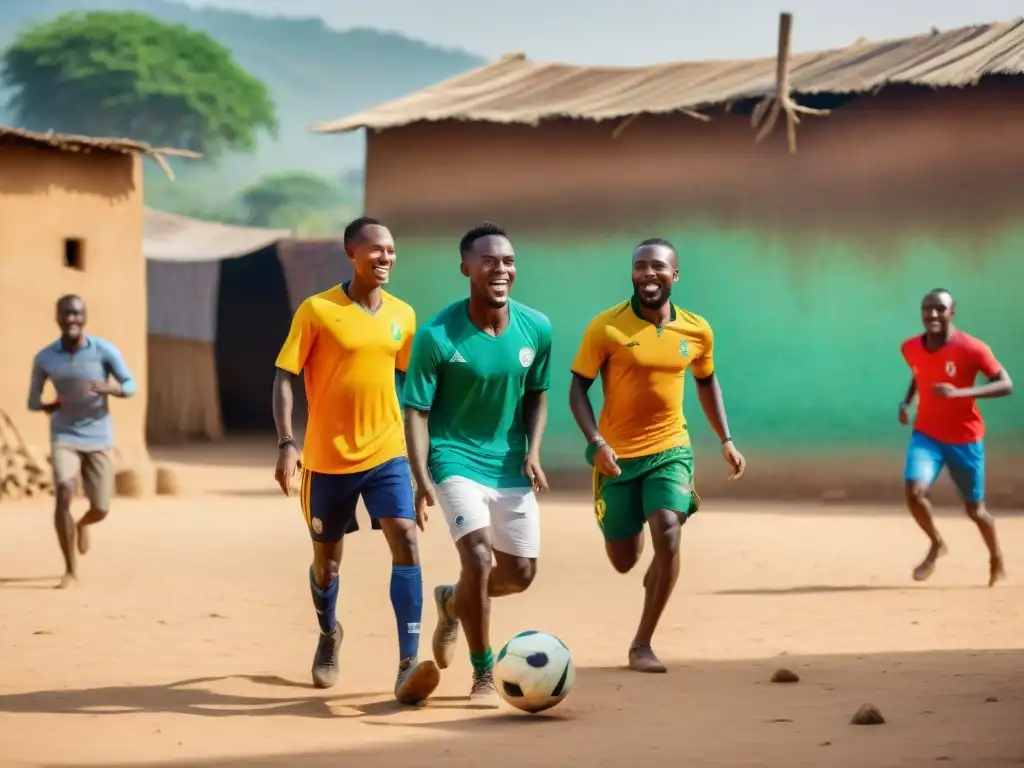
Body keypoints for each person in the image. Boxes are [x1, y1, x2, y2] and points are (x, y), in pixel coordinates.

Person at [272, 216, 440, 704]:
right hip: (326, 460)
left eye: (391, 250)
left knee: (406, 538)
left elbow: (417, 390)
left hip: (387, 452)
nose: (386, 257)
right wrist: (287, 442)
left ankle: (408, 663)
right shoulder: (317, 310)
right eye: (376, 250)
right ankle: (329, 633)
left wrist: (421, 464)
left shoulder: (403, 316)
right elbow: (284, 376)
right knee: (328, 565)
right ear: (352, 253)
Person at [568, 237, 745, 674]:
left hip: (670, 449)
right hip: (616, 458)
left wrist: (726, 438)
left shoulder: (697, 330)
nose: (649, 274)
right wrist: (597, 444)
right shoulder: (606, 328)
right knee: (625, 561)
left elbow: (707, 383)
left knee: (668, 532)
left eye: (658, 267)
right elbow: (577, 389)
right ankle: (637, 521)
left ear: (675, 275)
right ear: (632, 273)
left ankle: (642, 644)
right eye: (640, 266)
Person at [403, 222, 552, 707]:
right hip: (454, 458)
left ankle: (452, 601)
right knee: (481, 560)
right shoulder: (437, 336)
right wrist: (422, 476)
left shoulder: (537, 328)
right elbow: (417, 413)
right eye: (489, 260)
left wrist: (532, 451)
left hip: (510, 464)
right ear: (466, 267)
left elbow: (536, 397)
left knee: (521, 575)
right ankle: (483, 674)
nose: (501, 269)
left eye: (508, 260)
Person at [899, 288, 1013, 587]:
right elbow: (918, 370)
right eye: (927, 309)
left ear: (952, 312)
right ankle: (937, 544)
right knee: (914, 493)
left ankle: (996, 557)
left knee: (975, 511)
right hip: (927, 436)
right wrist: (907, 401)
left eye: (939, 308)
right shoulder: (910, 347)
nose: (932, 314)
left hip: (965, 439)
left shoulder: (973, 348)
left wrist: (960, 393)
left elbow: (1005, 384)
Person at [27, 295, 137, 589]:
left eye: (77, 314)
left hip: (98, 435)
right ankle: (70, 570)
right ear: (57, 317)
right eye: (66, 314)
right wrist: (46, 406)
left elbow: (130, 384)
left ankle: (82, 524)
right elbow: (32, 400)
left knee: (101, 507)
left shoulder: (103, 351)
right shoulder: (46, 358)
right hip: (64, 434)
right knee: (64, 491)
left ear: (84, 317)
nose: (71, 319)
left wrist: (113, 388)